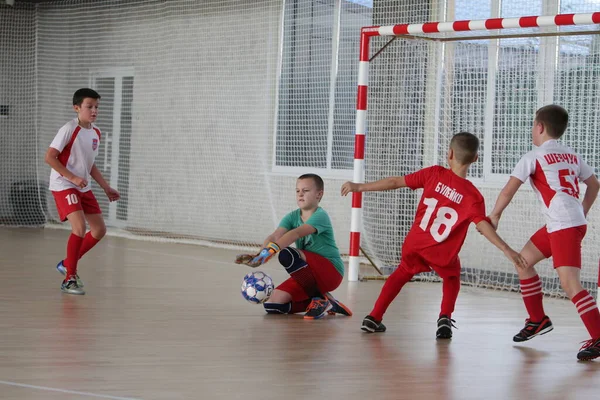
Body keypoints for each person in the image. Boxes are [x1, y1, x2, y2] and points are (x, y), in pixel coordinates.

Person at [341, 132, 527, 338]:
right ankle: (444, 319)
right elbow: (483, 226)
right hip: (440, 252)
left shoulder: (433, 173)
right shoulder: (473, 196)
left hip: (415, 243)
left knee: (402, 273)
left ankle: (374, 317)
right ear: (475, 159)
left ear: (449, 153)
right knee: (452, 276)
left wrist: (359, 187)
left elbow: (394, 182)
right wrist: (507, 250)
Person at [488, 104, 600, 361]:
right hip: (564, 222)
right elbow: (594, 184)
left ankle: (599, 336)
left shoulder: (533, 156)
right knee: (523, 262)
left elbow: (508, 190)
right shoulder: (571, 154)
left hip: (564, 225)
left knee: (570, 285)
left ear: (539, 127)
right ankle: (537, 320)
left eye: (532, 124)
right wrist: (581, 210)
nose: (531, 129)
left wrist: (494, 215)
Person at [236, 173, 352, 320]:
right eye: (297, 191)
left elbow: (296, 234)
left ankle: (318, 299)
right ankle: (327, 302)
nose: (300, 194)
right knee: (272, 305)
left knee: (287, 254)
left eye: (306, 190)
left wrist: (270, 252)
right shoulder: (292, 217)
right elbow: (274, 236)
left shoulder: (320, 215)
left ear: (319, 194)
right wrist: (260, 254)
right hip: (307, 275)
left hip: (330, 272)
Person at [44, 88, 120, 295]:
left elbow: (90, 164)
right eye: (89, 106)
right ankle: (69, 278)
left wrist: (105, 187)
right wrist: (72, 178)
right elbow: (50, 157)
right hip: (64, 184)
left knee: (99, 230)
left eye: (96, 107)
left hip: (82, 186)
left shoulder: (96, 132)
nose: (94, 110)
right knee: (79, 227)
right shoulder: (69, 129)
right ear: (76, 108)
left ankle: (67, 263)